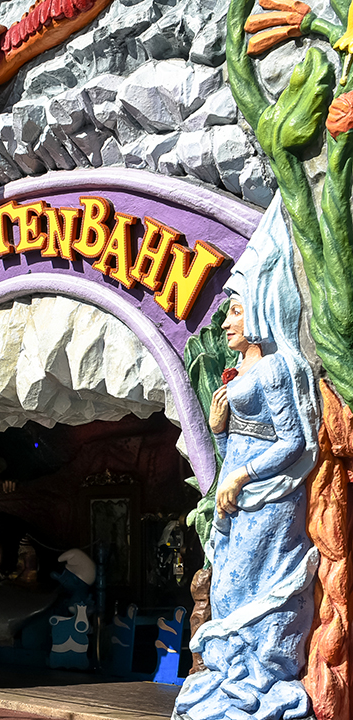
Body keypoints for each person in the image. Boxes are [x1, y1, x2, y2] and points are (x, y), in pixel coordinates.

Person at [174, 198, 320, 720]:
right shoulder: (240, 374)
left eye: (236, 310)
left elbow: (293, 442)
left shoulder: (276, 370)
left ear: (260, 308)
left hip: (269, 498)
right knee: (229, 587)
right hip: (237, 500)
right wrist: (220, 429)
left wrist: (240, 474)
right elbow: (239, 441)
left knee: (257, 589)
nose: (226, 322)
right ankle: (230, 675)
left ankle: (263, 676)